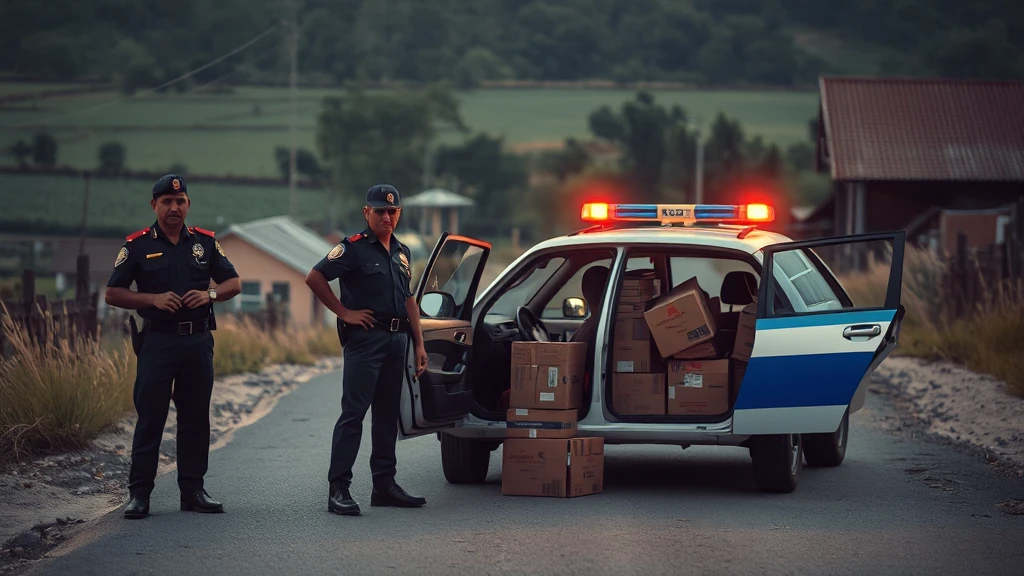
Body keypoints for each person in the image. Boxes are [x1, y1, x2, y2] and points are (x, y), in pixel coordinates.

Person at [104, 174, 241, 520]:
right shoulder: (136, 246)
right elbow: (113, 292)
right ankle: (139, 496)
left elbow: (234, 283)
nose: (174, 207)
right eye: (166, 201)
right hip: (158, 341)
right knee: (151, 417)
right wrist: (151, 298)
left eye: (180, 202)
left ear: (188, 205)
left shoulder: (205, 243)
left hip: (197, 341)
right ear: (155, 205)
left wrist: (209, 294)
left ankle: (193, 491)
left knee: (196, 417)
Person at [304, 184, 429, 516]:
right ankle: (338, 489)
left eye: (392, 211)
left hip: (397, 339)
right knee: (354, 414)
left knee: (388, 416)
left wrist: (419, 343)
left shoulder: (403, 251)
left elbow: (408, 299)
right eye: (379, 211)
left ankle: (384, 486)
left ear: (398, 213)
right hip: (366, 340)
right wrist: (344, 312)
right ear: (367, 213)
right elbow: (314, 277)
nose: (386, 216)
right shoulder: (353, 249)